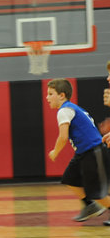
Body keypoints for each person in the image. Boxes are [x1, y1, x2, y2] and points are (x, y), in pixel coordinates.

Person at [46, 78, 110, 222]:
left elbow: (63, 137)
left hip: (93, 151)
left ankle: (94, 203)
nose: (47, 97)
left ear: (62, 95)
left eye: (50, 94)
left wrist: (55, 152)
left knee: (97, 193)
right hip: (83, 152)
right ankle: (90, 206)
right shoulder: (71, 108)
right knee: (70, 178)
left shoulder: (64, 110)